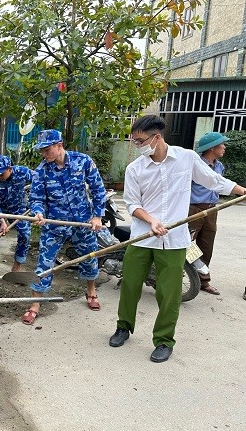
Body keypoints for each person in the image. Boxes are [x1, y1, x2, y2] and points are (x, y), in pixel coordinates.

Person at [109, 115, 246, 363]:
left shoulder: (186, 158)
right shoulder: (135, 168)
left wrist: (241, 190)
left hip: (173, 240)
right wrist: (151, 220)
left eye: (139, 140)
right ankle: (123, 327)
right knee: (130, 285)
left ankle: (163, 340)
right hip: (142, 237)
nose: (136, 145)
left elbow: (213, 181)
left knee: (169, 293)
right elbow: (132, 204)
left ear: (157, 137)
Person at [24, 129, 106, 325]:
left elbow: (98, 188)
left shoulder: (83, 161)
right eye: (41, 151)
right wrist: (38, 212)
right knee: (44, 264)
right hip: (54, 224)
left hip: (82, 222)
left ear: (59, 145)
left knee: (89, 257)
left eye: (46, 150)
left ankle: (91, 291)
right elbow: (36, 198)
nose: (44, 154)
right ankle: (35, 304)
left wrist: (97, 216)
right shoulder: (42, 170)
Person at [188, 132, 230, 295]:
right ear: (212, 148)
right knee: (188, 246)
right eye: (222, 145)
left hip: (212, 210)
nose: (224, 147)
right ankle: (180, 278)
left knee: (206, 245)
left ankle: (203, 281)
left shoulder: (219, 166)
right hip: (194, 209)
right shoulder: (196, 165)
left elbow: (219, 185)